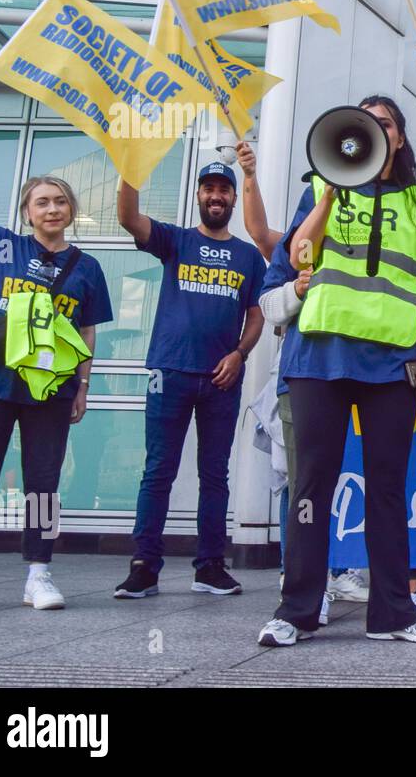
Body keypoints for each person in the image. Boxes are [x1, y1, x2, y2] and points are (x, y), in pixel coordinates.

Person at [257, 94, 416, 647]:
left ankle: (392, 613)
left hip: (394, 362)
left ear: (399, 138)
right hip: (319, 359)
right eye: (365, 123)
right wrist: (331, 189)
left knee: (387, 490)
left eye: (386, 124)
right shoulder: (320, 190)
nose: (376, 130)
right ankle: (296, 609)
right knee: (310, 487)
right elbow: (298, 256)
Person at [236, 141, 382, 610]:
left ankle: (335, 572)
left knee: (338, 479)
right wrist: (251, 176)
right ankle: (299, 580)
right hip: (302, 376)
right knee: (303, 482)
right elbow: (262, 238)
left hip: (355, 378)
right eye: (318, 191)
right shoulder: (300, 242)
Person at [0, 177, 112, 611]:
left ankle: (38, 574)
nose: (52, 209)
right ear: (27, 212)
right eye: (41, 202)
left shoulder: (87, 267)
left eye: (61, 201)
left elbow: (86, 330)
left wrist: (82, 384)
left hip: (52, 389)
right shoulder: (1, 247)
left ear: (70, 210)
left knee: (43, 483)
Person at [114, 163, 265, 599]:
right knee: (158, 471)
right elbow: (128, 217)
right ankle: (144, 567)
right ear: (199, 195)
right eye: (209, 188)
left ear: (234, 199)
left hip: (221, 379)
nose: (216, 196)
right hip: (171, 372)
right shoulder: (175, 240)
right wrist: (131, 162)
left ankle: (210, 567)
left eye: (224, 189)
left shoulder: (248, 256)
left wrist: (240, 354)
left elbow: (255, 313)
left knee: (215, 475)